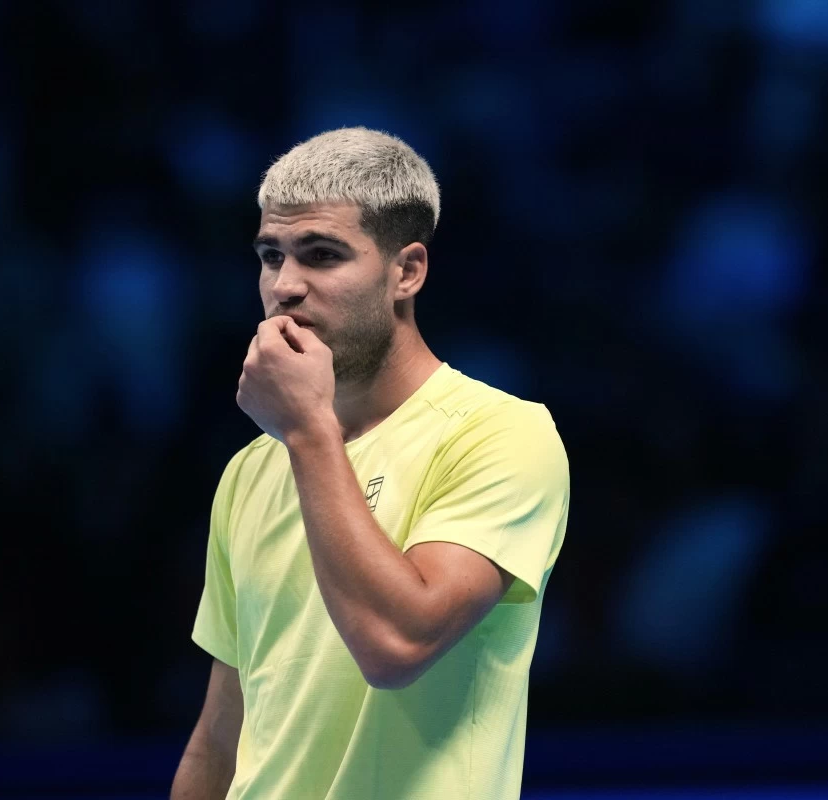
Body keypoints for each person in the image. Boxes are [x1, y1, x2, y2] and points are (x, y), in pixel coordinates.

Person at [170, 127, 570, 800]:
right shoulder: (251, 468)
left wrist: (308, 431)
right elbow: (220, 737)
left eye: (322, 255)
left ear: (406, 271)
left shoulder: (501, 434)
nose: (285, 286)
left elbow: (397, 645)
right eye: (271, 256)